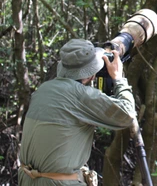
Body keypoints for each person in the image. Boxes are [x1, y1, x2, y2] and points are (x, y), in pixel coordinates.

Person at [18, 38, 136, 186]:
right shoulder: (81, 96)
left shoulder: (43, 89)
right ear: (92, 74)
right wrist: (118, 79)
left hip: (26, 179)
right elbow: (128, 114)